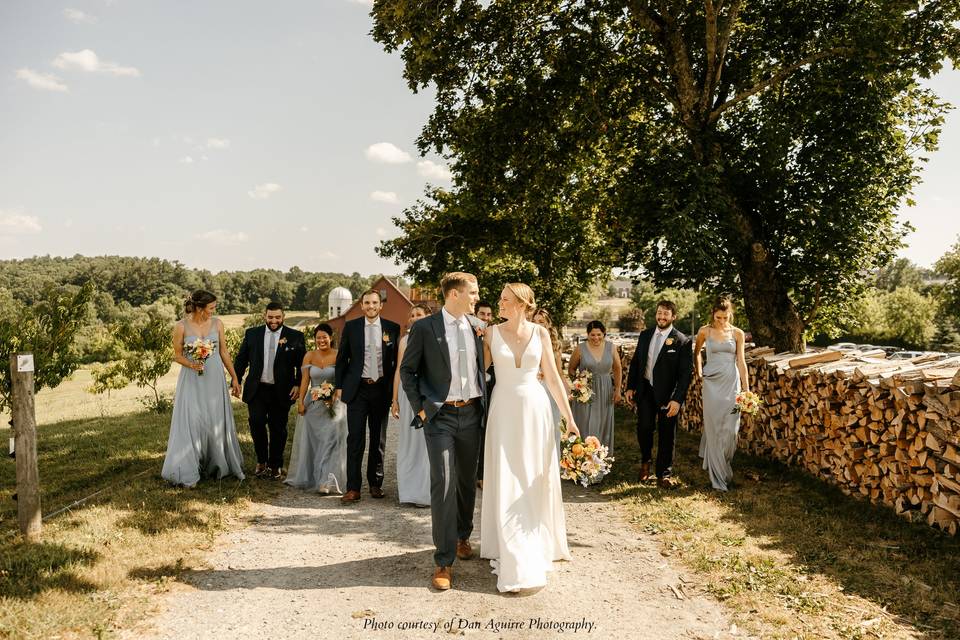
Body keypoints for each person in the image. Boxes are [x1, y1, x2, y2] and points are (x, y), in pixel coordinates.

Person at [481, 283, 579, 593]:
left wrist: (569, 418)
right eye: (500, 299)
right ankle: (509, 546)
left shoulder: (541, 333)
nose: (500, 304)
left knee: (534, 476)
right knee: (507, 475)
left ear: (522, 304)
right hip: (503, 410)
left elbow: (552, 377)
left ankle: (535, 537)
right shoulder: (490, 333)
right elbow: (476, 373)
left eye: (505, 300)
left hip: (535, 411)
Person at [399, 273, 487, 591]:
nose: (477, 297)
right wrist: (421, 406)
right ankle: (443, 560)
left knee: (466, 481)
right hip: (441, 417)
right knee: (444, 483)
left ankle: (463, 535)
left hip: (473, 413)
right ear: (454, 294)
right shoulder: (424, 328)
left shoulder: (479, 328)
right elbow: (407, 370)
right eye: (473, 292)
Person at [162, 290, 245, 487]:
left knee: (214, 417)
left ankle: (217, 464)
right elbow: (177, 355)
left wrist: (234, 377)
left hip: (215, 377)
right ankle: (189, 465)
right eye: (211, 308)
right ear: (199, 308)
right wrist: (191, 364)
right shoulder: (181, 326)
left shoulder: (217, 324)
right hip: (192, 378)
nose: (213, 311)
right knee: (193, 418)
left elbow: (223, 352)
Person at [335, 290, 400, 503]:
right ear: (361, 306)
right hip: (358, 389)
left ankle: (375, 483)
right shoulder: (352, 327)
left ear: (380, 305)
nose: (371, 306)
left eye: (374, 303)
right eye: (367, 303)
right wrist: (339, 386)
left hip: (381, 389)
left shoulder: (392, 328)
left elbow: (396, 363)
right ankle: (353, 488)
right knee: (355, 438)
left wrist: (394, 393)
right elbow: (342, 358)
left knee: (378, 439)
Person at [234, 302, 307, 479]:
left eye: (277, 317)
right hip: (257, 389)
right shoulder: (252, 334)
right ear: (264, 316)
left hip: (282, 391)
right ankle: (261, 461)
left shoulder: (295, 336)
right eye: (270, 317)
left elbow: (302, 365)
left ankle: (275, 465)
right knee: (256, 422)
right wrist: (235, 381)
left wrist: (298, 384)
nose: (274, 321)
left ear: (283, 317)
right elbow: (241, 360)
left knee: (278, 428)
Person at [624, 299, 693, 489]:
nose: (662, 317)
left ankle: (664, 474)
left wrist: (677, 399)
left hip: (668, 396)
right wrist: (630, 387)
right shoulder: (645, 335)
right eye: (659, 313)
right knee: (644, 428)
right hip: (645, 390)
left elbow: (685, 375)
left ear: (673, 317)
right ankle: (645, 462)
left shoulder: (682, 341)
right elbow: (637, 362)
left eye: (666, 314)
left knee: (667, 434)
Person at [694, 296, 749, 491]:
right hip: (711, 383)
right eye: (718, 317)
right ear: (713, 315)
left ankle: (723, 466)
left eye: (725, 317)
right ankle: (718, 478)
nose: (722, 321)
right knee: (714, 427)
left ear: (730, 315)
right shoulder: (704, 331)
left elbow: (741, 362)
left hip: (731, 382)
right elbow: (697, 352)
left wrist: (746, 390)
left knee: (730, 430)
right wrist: (699, 371)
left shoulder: (737, 334)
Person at [285, 324, 347, 494]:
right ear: (315, 339)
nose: (321, 340)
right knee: (314, 442)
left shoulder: (337, 355)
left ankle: (326, 481)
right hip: (312, 404)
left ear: (331, 338)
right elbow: (305, 380)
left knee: (331, 440)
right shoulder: (309, 356)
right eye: (318, 338)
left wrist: (334, 394)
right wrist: (300, 402)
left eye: (324, 337)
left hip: (333, 404)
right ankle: (312, 476)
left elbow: (343, 379)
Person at [391, 303, 433, 507]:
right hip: (408, 394)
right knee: (409, 441)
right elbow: (399, 369)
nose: (415, 318)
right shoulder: (405, 340)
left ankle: (425, 492)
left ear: (428, 317)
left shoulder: (435, 337)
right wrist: (395, 398)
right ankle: (409, 491)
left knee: (426, 443)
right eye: (412, 315)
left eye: (419, 315)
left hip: (428, 394)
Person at [567, 320, 622, 454]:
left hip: (605, 390)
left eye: (599, 334)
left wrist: (618, 389)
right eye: (592, 335)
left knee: (603, 423)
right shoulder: (580, 348)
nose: (596, 338)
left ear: (604, 333)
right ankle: (582, 459)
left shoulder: (611, 347)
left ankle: (601, 461)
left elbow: (617, 368)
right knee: (585, 423)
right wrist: (579, 385)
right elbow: (571, 369)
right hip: (585, 393)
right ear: (587, 334)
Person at [531, 308, 568, 446]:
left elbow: (559, 372)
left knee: (552, 427)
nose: (538, 324)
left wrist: (566, 391)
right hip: (532, 387)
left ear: (548, 324)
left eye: (541, 322)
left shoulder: (554, 344)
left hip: (549, 389)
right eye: (534, 321)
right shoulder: (525, 341)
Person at [474, 301, 496, 489]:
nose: (486, 318)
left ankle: (484, 473)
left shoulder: (495, 334)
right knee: (475, 430)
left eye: (489, 315)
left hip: (494, 386)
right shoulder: (468, 333)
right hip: (474, 386)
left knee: (488, 429)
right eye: (482, 314)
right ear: (475, 315)